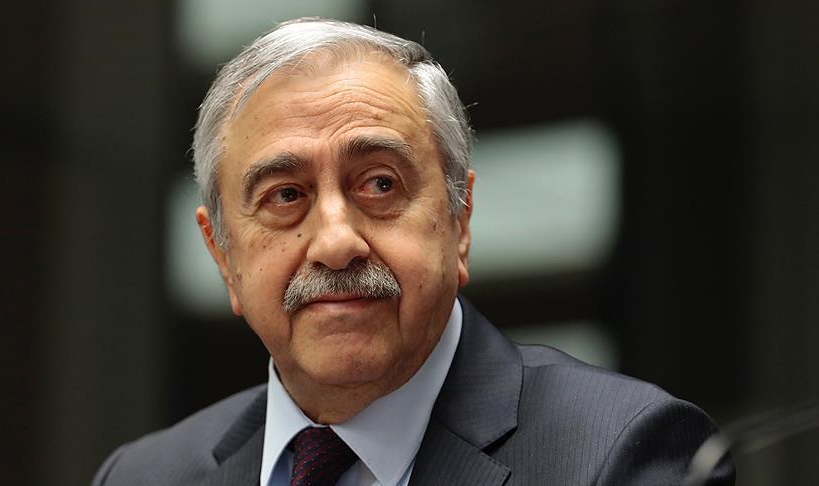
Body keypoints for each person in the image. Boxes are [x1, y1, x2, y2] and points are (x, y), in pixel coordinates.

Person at [93, 17, 734, 486]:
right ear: (223, 255)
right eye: (286, 195)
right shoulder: (143, 476)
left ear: (460, 219)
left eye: (379, 184)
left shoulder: (620, 453)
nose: (336, 243)